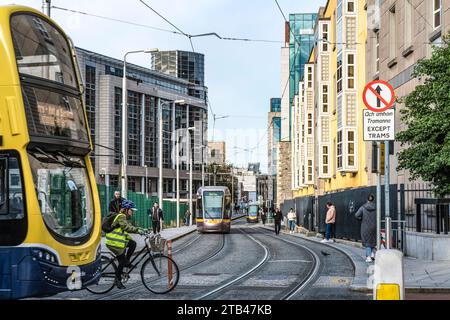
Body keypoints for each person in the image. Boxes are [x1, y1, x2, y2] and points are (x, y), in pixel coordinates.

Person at [105, 199, 145, 289]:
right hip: (114, 242)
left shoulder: (123, 217)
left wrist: (139, 229)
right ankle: (117, 280)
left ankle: (127, 262)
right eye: (132, 210)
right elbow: (126, 228)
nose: (132, 212)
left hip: (117, 241)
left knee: (132, 243)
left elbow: (125, 229)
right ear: (126, 209)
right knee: (121, 262)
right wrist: (138, 230)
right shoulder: (121, 216)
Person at [355, 194, 377, 263]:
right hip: (374, 226)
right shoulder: (376, 207)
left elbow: (356, 215)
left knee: (367, 241)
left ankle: (368, 257)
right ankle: (373, 254)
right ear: (373, 200)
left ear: (367, 200)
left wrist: (361, 218)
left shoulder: (363, 207)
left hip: (365, 226)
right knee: (373, 240)